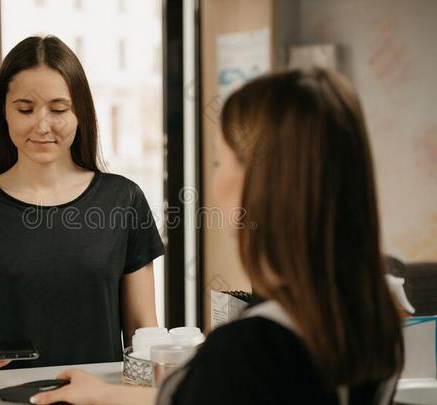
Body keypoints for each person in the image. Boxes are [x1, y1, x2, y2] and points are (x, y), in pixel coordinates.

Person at [30, 68, 404, 404]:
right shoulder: (373, 317)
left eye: (219, 161)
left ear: (259, 185)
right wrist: (105, 394)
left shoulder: (250, 350)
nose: (214, 178)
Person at [0, 36, 164, 372]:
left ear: (80, 111)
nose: (41, 124)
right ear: (3, 112)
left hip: (95, 398)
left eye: (59, 109)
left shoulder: (124, 201)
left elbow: (143, 332)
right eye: (25, 109)